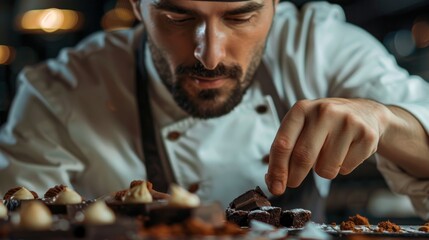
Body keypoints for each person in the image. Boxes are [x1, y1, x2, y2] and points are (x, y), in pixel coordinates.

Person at [1, 0, 429, 222]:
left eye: (241, 17)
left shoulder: (317, 45)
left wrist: (386, 119)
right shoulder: (59, 94)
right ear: (137, 6)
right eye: (176, 17)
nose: (210, 56)